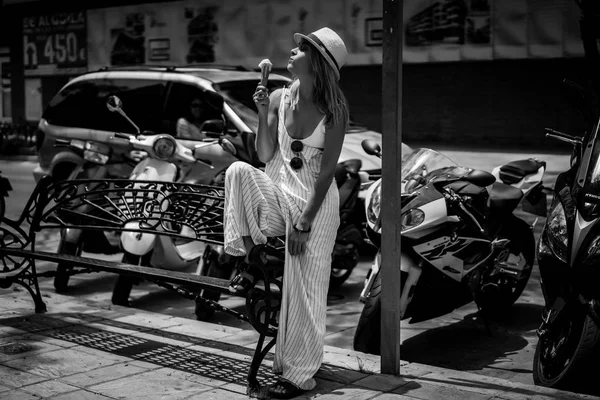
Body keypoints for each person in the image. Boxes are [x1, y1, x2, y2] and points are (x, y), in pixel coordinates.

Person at [222, 27, 349, 398]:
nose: (292, 51)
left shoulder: (335, 107)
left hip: (315, 203)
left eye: (301, 48)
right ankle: (250, 259)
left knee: (305, 291)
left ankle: (298, 374)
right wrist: (263, 112)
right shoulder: (279, 95)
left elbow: (327, 173)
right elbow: (263, 156)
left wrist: (305, 223)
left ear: (317, 61)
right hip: (278, 189)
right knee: (238, 172)